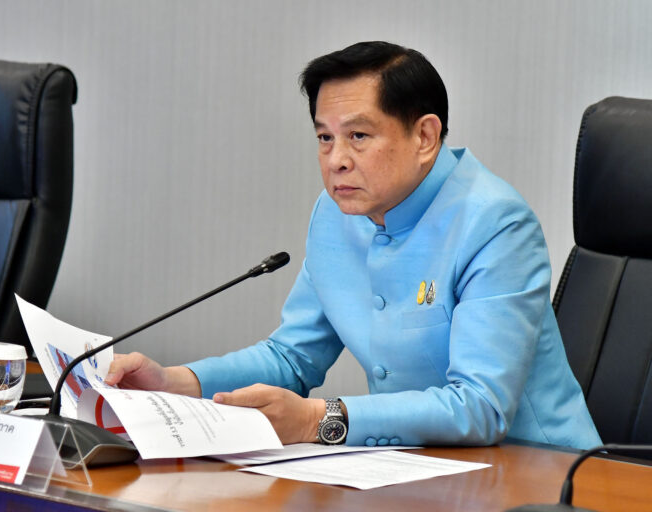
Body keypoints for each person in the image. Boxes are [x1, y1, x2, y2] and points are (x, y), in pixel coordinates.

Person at [106, 41, 601, 450]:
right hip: (417, 470)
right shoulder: (335, 215)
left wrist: (316, 420)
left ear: (425, 137)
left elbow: (480, 406)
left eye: (358, 136)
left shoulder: (494, 224)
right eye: (325, 138)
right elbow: (292, 358)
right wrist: (176, 383)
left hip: (542, 474)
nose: (335, 160)